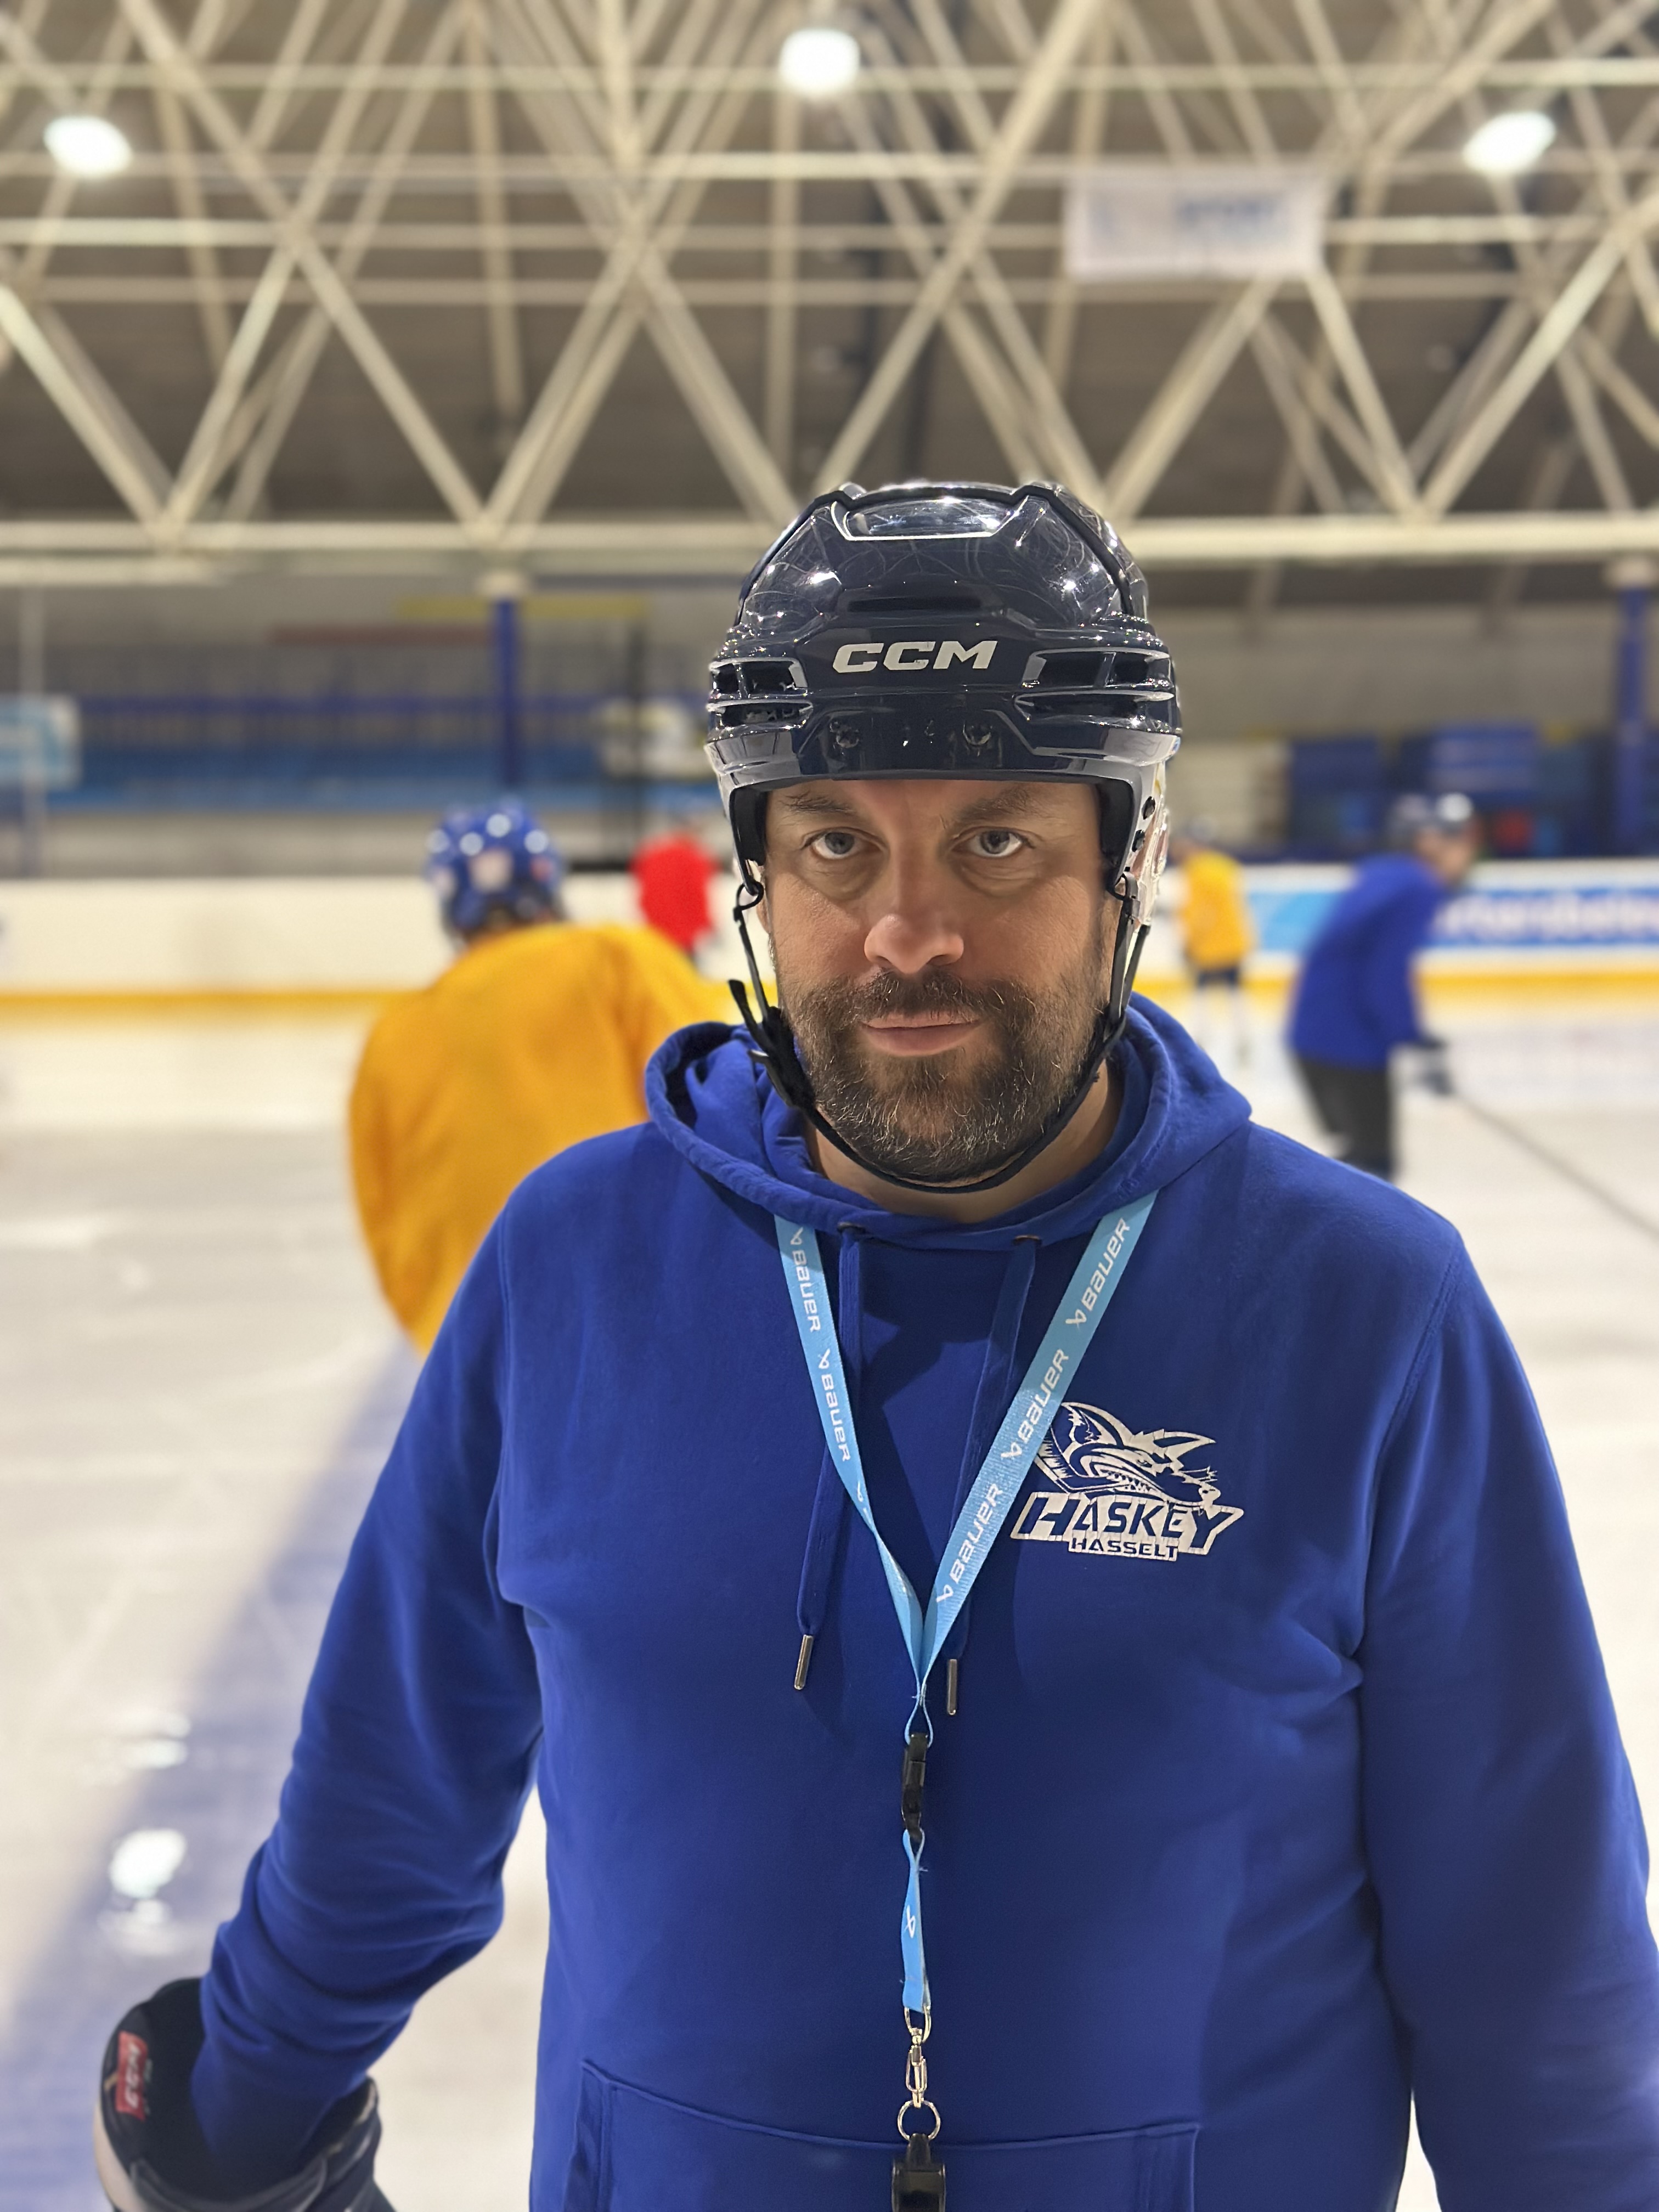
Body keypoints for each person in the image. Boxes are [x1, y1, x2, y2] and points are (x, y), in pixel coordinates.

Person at [98, 486, 1658, 2212]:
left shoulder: (1365, 1309)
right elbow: (389, 1787)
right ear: (760, 873)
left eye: (996, 843)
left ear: (1128, 859)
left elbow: (1535, 1964)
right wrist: (237, 2110)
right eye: (838, 845)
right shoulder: (570, 1268)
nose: (909, 933)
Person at [348, 799, 720, 1351]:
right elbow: (717, 1100)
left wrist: (437, 1331)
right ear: (547, 880)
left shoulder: (394, 1035)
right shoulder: (618, 958)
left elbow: (382, 1212)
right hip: (634, 1313)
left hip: (471, 1341)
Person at [1288, 792, 1479, 1181]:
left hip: (1311, 1036)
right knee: (1374, 1169)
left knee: (1353, 1161)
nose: (1470, 857)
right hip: (1350, 1044)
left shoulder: (1382, 873)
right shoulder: (1418, 886)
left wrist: (1412, 1036)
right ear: (1431, 842)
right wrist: (1410, 1036)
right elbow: (1386, 975)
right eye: (1463, 844)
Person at [1168, 820, 1253, 1064]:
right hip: (1235, 943)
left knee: (1201, 993)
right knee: (1235, 992)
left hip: (1209, 946)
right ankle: (1244, 1039)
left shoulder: (1196, 871)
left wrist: (1189, 944)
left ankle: (1202, 1039)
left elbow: (1199, 914)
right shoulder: (1225, 865)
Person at [630, 827, 720, 956]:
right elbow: (697, 896)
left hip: (656, 932)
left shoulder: (652, 855)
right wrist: (707, 924)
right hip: (683, 935)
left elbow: (644, 893)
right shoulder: (695, 859)